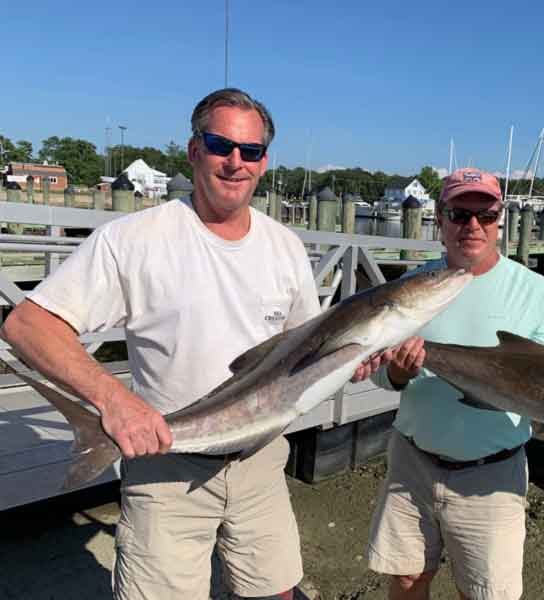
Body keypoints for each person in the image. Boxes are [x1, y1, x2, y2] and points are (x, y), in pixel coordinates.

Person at [0, 88, 320, 600]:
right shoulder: (134, 238)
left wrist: (365, 358)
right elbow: (27, 324)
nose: (236, 162)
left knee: (276, 591)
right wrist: (115, 400)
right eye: (221, 145)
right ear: (194, 150)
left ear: (264, 162)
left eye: (251, 151)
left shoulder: (285, 247)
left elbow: (308, 346)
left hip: (261, 459)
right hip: (167, 464)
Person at [351, 167, 544, 600]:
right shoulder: (410, 287)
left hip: (491, 473)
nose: (472, 225)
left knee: (485, 592)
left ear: (500, 220)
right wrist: (399, 371)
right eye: (459, 213)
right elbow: (382, 373)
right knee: (405, 578)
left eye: (486, 214)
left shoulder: (534, 292)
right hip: (411, 462)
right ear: (439, 218)